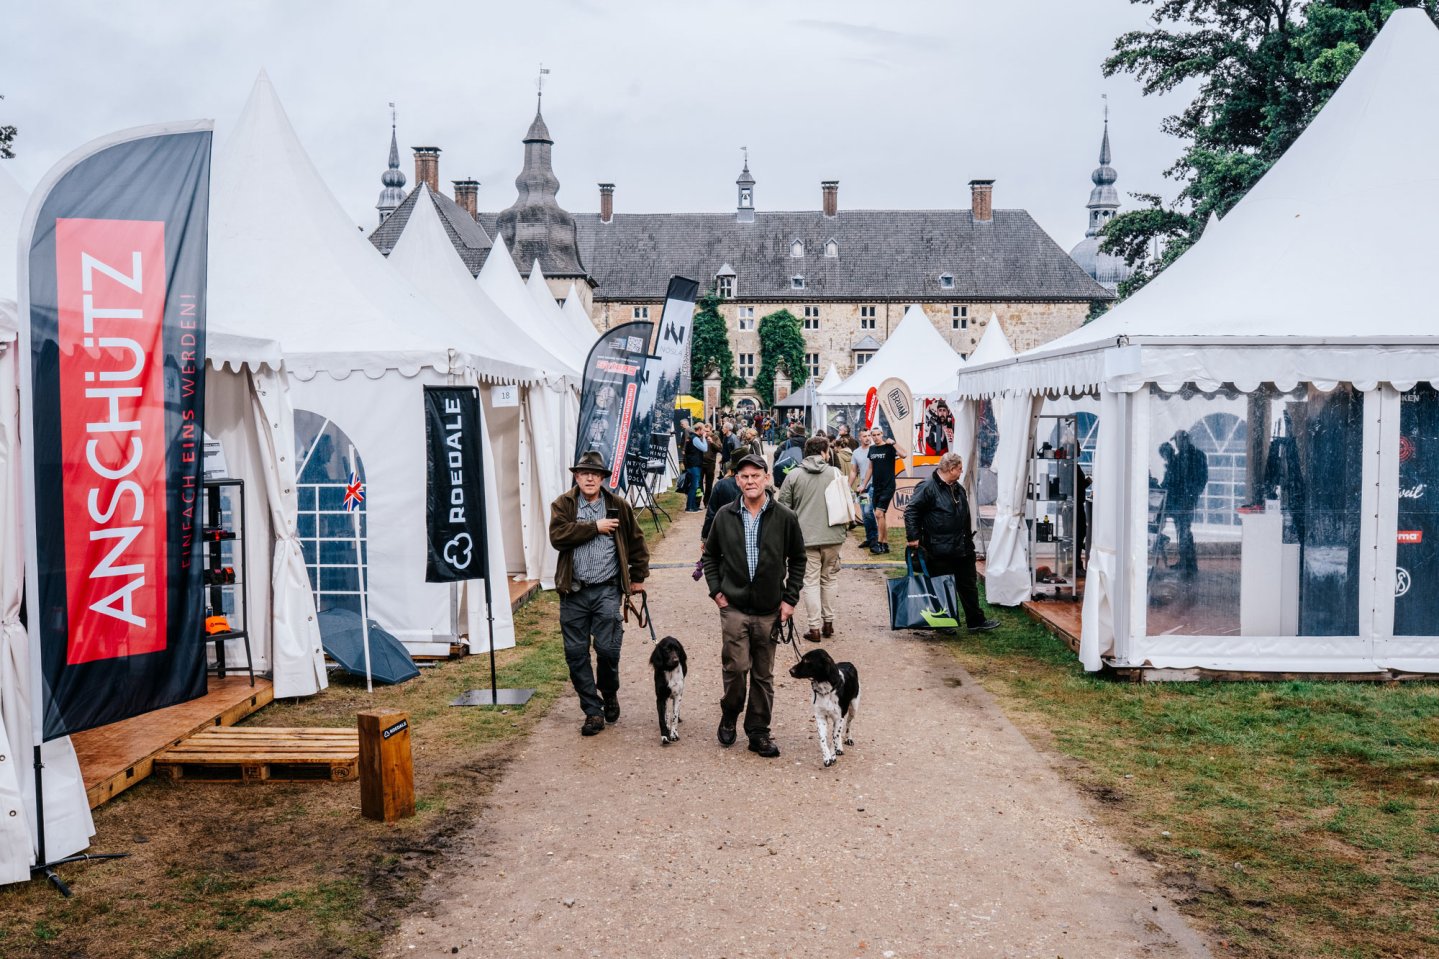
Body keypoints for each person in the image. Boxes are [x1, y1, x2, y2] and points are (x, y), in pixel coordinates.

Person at [702, 453, 806, 758]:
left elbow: (798, 559)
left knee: (763, 673)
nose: (750, 481)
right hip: (733, 606)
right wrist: (716, 591)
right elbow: (710, 556)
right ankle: (730, 711)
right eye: (744, 477)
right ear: (737, 481)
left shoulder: (785, 517)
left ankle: (758, 731)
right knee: (736, 668)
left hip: (769, 609)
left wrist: (790, 599)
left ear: (766, 478)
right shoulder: (725, 515)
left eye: (755, 476)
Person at [549, 451, 650, 736]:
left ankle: (609, 691)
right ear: (576, 477)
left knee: (607, 649)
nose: (590, 478)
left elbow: (636, 541)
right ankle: (592, 711)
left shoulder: (617, 505)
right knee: (575, 654)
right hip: (574, 591)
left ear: (603, 478)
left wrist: (638, 577)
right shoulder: (563, 504)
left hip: (606, 589)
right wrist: (595, 527)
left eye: (595, 474)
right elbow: (558, 537)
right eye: (584, 473)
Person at [905, 451, 999, 633]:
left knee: (968, 584)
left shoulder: (957, 487)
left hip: (962, 546)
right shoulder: (927, 487)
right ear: (950, 468)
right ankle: (943, 623)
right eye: (959, 468)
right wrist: (913, 537)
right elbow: (911, 511)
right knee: (942, 585)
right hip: (939, 547)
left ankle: (976, 621)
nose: (962, 471)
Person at [776, 436, 849, 641]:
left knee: (810, 582)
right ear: (825, 452)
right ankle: (829, 622)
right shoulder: (835, 472)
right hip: (833, 535)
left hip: (805, 537)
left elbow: (783, 507)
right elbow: (845, 500)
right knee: (829, 578)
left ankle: (814, 627)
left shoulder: (794, 475)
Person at [1166, 429, 1209, 577]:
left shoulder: (1198, 456)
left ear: (1184, 440)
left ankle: (1188, 563)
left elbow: (1203, 478)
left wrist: (1192, 494)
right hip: (1178, 500)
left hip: (1188, 500)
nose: (1176, 444)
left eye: (1177, 441)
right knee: (1182, 530)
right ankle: (1187, 562)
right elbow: (1173, 480)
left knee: (1184, 530)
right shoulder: (1177, 458)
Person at [867, 427, 901, 553]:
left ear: (882, 434)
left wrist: (894, 443)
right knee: (881, 517)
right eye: (873, 435)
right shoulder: (872, 449)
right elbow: (870, 468)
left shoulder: (889, 447)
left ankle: (879, 543)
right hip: (876, 487)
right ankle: (885, 544)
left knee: (878, 514)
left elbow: (904, 454)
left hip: (888, 486)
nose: (876, 437)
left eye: (878, 434)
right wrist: (864, 485)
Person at [851, 429, 880, 549]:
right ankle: (870, 538)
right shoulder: (856, 453)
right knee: (864, 513)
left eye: (869, 435)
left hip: (874, 485)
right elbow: (853, 471)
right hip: (862, 487)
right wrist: (848, 486)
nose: (868, 438)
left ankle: (875, 538)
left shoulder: (876, 449)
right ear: (860, 438)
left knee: (868, 511)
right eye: (865, 436)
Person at [681, 421, 707, 512]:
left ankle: (692, 506)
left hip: (692, 464)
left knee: (694, 486)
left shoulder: (691, 437)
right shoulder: (695, 439)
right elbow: (704, 448)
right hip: (694, 465)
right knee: (694, 486)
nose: (704, 431)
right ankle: (690, 507)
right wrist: (703, 438)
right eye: (703, 430)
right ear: (699, 429)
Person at [700, 423, 720, 507]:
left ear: (711, 430)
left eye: (707, 431)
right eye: (705, 430)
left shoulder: (715, 437)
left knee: (709, 484)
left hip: (710, 463)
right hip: (700, 463)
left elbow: (719, 448)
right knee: (699, 483)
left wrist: (712, 442)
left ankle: (706, 501)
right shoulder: (701, 437)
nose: (706, 433)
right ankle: (698, 501)